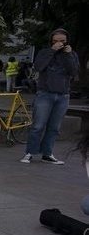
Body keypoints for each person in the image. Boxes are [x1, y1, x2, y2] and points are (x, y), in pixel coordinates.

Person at [20, 28, 79, 165]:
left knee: (54, 127)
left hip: (63, 95)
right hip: (45, 93)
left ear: (67, 41)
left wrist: (68, 55)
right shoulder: (45, 52)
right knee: (38, 125)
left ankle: (47, 154)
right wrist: (52, 51)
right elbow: (39, 66)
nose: (59, 43)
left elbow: (73, 71)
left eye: (62, 41)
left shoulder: (71, 54)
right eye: (56, 41)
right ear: (51, 41)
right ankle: (30, 152)